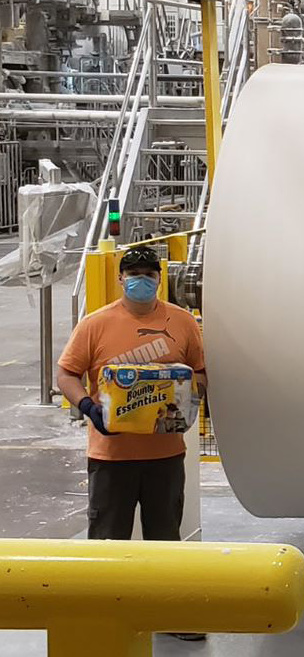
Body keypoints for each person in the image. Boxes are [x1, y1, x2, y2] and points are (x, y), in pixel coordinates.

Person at [56, 245, 207, 642]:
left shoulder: (182, 322)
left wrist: (188, 393)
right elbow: (67, 374)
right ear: (121, 278)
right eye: (133, 273)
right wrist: (88, 407)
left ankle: (170, 616)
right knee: (107, 539)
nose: (142, 280)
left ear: (160, 278)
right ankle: (104, 617)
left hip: (165, 454)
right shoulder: (95, 324)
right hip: (111, 457)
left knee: (165, 540)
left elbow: (202, 372)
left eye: (149, 273)